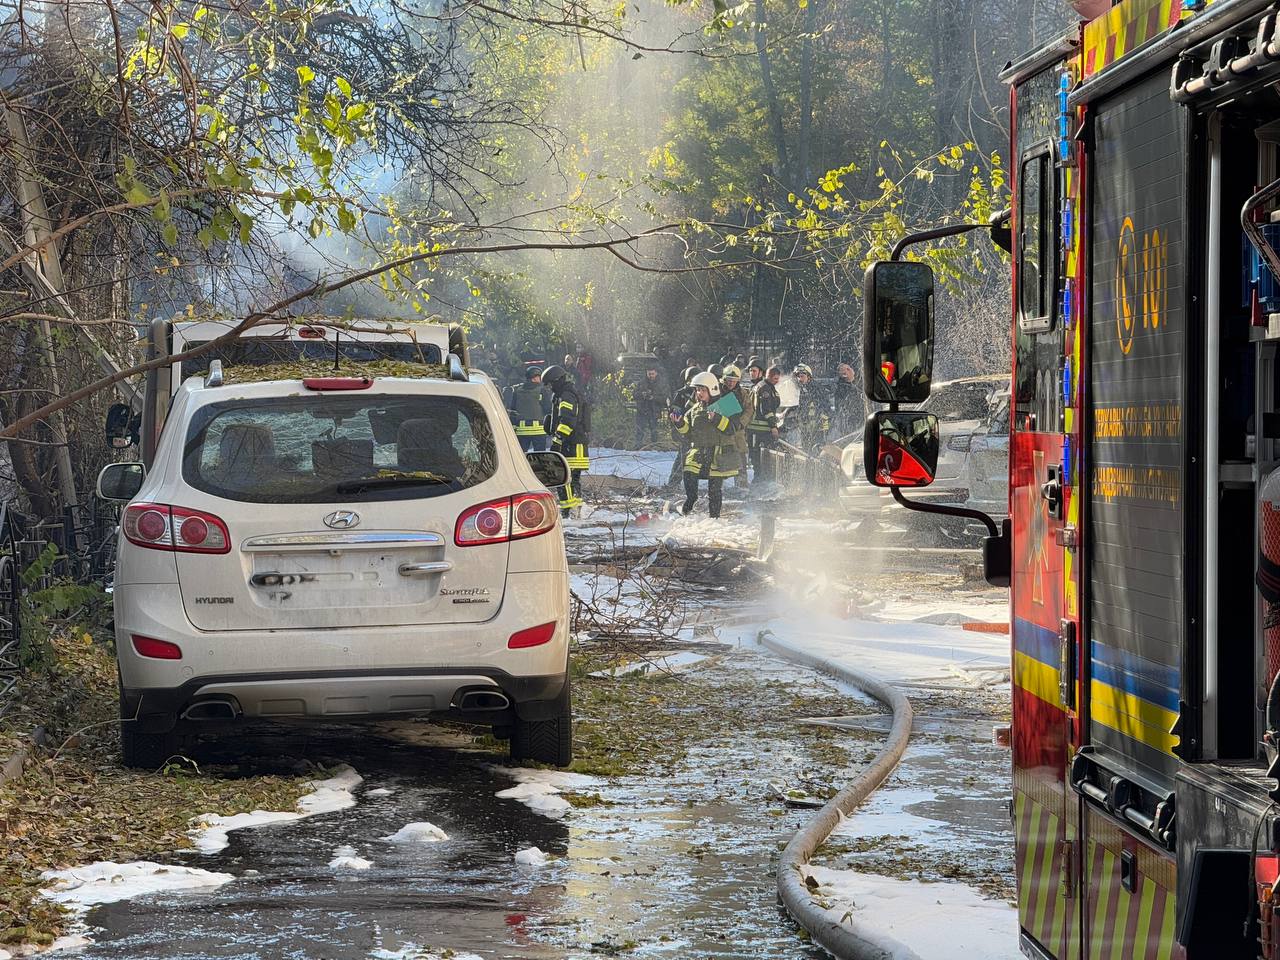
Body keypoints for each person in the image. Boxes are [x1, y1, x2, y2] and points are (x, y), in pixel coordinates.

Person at [670, 372, 739, 519]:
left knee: (714, 490)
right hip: (698, 451)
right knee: (688, 473)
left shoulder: (725, 404)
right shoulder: (694, 409)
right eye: (697, 390)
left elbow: (733, 428)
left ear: (712, 389)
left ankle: (714, 519)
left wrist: (717, 419)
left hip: (717, 453)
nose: (699, 393)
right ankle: (689, 504)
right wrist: (679, 423)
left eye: (702, 390)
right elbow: (688, 434)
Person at [541, 365, 590, 516]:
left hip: (572, 446)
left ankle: (570, 512)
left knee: (565, 479)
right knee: (570, 479)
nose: (549, 388)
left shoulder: (567, 395)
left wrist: (557, 440)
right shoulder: (565, 393)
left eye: (550, 384)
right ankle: (574, 512)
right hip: (573, 444)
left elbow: (567, 421)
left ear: (557, 381)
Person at [749, 365, 783, 482]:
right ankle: (761, 480)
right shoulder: (765, 388)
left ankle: (760, 478)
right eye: (775, 378)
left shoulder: (767, 386)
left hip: (759, 428)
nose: (777, 381)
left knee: (758, 456)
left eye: (778, 378)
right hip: (760, 429)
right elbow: (766, 410)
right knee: (761, 456)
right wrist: (773, 426)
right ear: (768, 376)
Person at [721, 364, 753, 487]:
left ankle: (742, 484)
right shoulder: (718, 391)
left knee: (741, 457)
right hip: (721, 431)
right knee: (720, 456)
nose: (731, 383)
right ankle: (717, 485)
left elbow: (749, 409)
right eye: (728, 380)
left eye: (733, 381)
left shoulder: (743, 393)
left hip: (737, 431)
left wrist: (741, 423)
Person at [505, 366, 551, 452]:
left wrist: (514, 427)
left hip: (521, 431)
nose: (540, 379)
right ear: (534, 377)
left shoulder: (517, 390)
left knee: (523, 457)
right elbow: (548, 409)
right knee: (540, 457)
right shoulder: (542, 390)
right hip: (539, 431)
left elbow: (513, 410)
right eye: (539, 377)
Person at [792, 363, 831, 452]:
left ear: (809, 376)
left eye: (802, 376)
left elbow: (826, 409)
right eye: (798, 377)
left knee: (816, 451)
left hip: (817, 430)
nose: (800, 379)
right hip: (805, 430)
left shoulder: (817, 388)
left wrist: (824, 427)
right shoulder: (802, 389)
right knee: (806, 451)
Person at [632, 363, 662, 447]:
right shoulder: (642, 383)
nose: (651, 376)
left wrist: (654, 397)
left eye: (652, 374)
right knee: (639, 430)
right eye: (649, 374)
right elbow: (634, 395)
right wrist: (642, 394)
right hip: (642, 410)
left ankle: (655, 447)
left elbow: (665, 397)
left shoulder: (661, 383)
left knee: (654, 431)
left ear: (656, 373)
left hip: (654, 410)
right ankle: (638, 447)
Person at [831, 362, 863, 438]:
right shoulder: (841, 387)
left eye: (845, 372)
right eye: (842, 374)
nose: (844, 375)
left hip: (861, 415)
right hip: (850, 418)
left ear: (851, 369)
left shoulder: (861, 381)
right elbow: (839, 405)